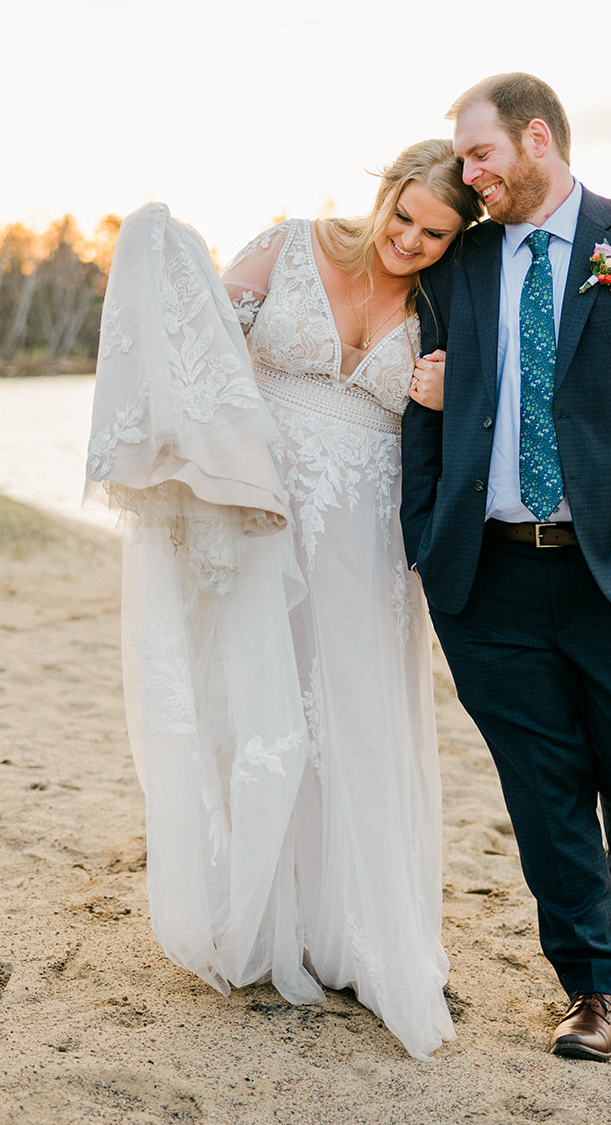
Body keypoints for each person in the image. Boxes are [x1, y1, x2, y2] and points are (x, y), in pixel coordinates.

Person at [86, 141, 482, 1060]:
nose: (411, 241)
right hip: (263, 518)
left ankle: (356, 929)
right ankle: (269, 921)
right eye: (404, 217)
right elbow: (202, 357)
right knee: (260, 707)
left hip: (369, 540)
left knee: (358, 711)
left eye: (435, 232)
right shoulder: (287, 244)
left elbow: (499, 406)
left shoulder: (445, 303)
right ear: (383, 196)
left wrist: (449, 390)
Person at [400, 73, 611, 1061]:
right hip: (485, 576)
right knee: (541, 787)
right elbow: (424, 408)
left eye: (478, 153)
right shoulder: (459, 265)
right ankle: (591, 985)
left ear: (533, 138)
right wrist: (422, 532)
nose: (468, 174)